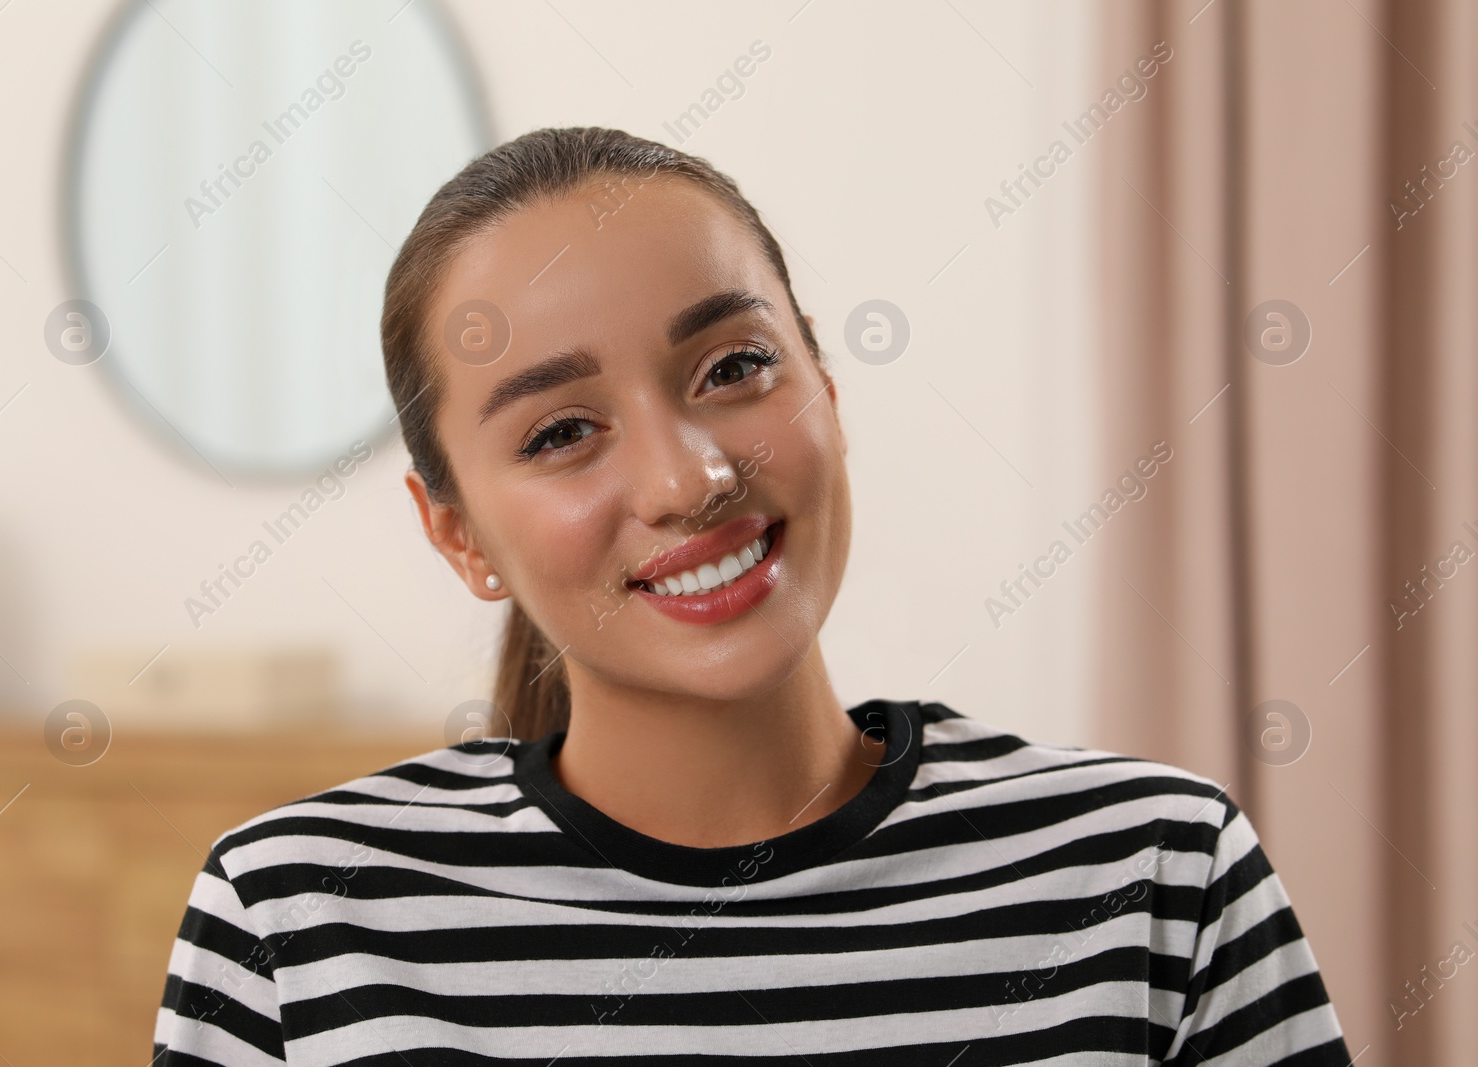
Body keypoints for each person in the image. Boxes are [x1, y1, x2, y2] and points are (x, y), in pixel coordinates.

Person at [153, 127, 1352, 1064]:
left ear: (824, 381)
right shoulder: (297, 920)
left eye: (734, 367)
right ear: (457, 533)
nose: (690, 478)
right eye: (563, 430)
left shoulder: (1155, 872)